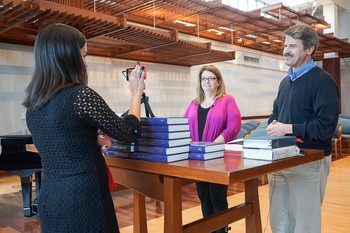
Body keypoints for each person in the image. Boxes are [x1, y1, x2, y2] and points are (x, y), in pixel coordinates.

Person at [22, 23, 146, 233]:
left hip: (50, 199)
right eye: (84, 56)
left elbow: (64, 140)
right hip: (83, 200)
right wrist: (136, 93)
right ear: (68, 57)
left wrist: (91, 139)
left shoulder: (33, 106)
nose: (85, 64)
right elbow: (129, 132)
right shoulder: (80, 96)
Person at [266, 22, 339, 233]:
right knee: (279, 224)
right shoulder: (285, 82)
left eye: (293, 46)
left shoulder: (323, 81)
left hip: (309, 160)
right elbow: (275, 113)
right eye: (285, 45)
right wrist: (274, 123)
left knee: (304, 226)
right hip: (280, 158)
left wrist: (287, 128)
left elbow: (325, 127)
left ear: (309, 49)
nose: (286, 50)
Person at [184, 65, 241, 233]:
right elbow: (183, 126)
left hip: (218, 158)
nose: (206, 81)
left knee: (217, 198)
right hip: (197, 159)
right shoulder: (194, 104)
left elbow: (233, 127)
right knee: (204, 197)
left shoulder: (227, 100)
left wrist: (212, 147)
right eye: (203, 78)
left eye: (210, 78)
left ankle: (221, 230)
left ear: (218, 81)